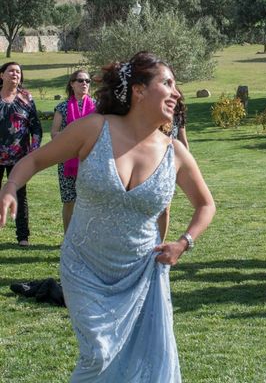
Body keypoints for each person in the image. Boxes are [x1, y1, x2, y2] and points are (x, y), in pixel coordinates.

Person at [0, 52, 215, 381]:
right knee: (99, 354)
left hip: (142, 271)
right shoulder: (94, 128)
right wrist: (11, 186)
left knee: (144, 362)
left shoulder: (175, 152)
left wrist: (183, 243)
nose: (177, 93)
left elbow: (206, 204)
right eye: (167, 83)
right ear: (139, 90)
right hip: (85, 265)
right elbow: (34, 161)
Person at [0, 62, 42, 246]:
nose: (15, 74)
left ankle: (23, 237)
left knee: (20, 195)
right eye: (11, 71)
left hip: (19, 158)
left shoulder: (26, 98)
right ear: (2, 75)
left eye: (18, 72)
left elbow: (36, 127)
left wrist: (33, 151)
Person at [51, 70, 96, 233]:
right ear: (72, 83)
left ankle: (87, 238)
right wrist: (73, 138)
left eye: (88, 81)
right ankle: (69, 237)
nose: (84, 83)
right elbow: (54, 133)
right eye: (80, 80)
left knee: (91, 201)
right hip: (67, 160)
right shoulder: (62, 107)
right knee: (69, 201)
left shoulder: (98, 107)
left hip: (91, 160)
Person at [157, 89, 189, 241]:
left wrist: (186, 163)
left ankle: (159, 243)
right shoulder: (153, 113)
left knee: (165, 208)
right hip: (150, 161)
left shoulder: (178, 114)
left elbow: (183, 140)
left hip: (169, 162)